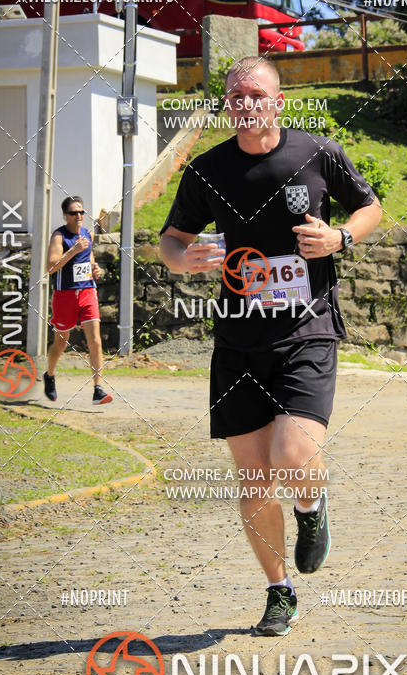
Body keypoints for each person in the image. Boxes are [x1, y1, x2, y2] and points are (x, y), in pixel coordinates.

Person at [159, 57, 382, 635]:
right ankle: (279, 592)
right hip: (237, 341)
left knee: (292, 453)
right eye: (235, 95)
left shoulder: (317, 153)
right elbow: (171, 241)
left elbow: (370, 207)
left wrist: (339, 238)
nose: (245, 102)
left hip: (306, 330)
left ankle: (312, 508)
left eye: (256, 93)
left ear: (278, 100)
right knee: (254, 478)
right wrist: (187, 260)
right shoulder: (208, 170)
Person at [43, 195, 112, 406]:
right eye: (74, 213)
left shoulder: (87, 235)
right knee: (61, 343)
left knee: (96, 341)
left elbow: (89, 260)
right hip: (65, 295)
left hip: (87, 291)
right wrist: (73, 250)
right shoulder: (59, 236)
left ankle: (98, 389)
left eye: (81, 212)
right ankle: (50, 374)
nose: (79, 216)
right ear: (65, 215)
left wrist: (95, 268)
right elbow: (51, 267)